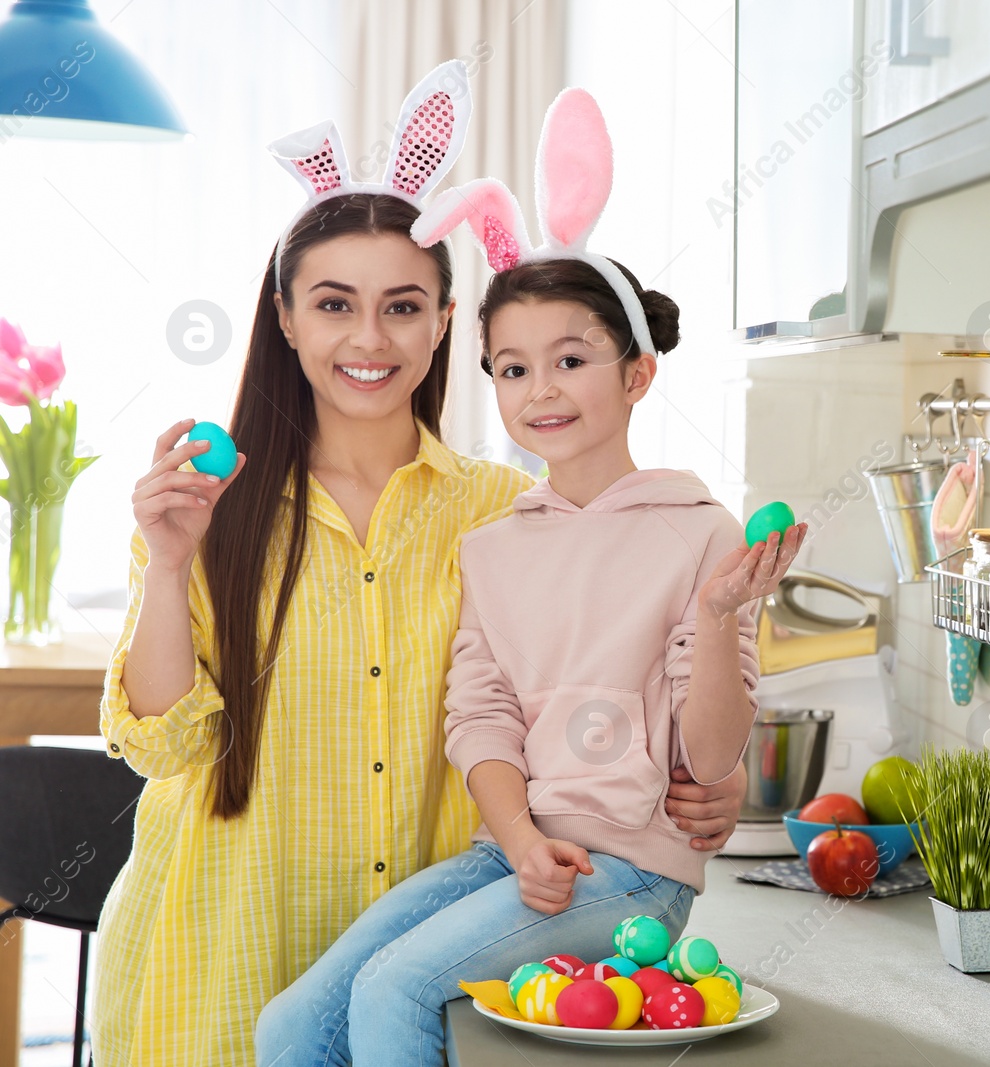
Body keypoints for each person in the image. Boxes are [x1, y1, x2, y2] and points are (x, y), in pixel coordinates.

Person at [90, 65, 747, 1067]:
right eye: (333, 303)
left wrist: (703, 780)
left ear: (446, 321)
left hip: (429, 951)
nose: (368, 337)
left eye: (403, 305)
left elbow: (614, 677)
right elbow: (160, 746)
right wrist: (173, 564)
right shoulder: (204, 508)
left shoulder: (503, 512)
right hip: (218, 950)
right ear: (285, 315)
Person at [254, 87, 805, 1066]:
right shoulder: (497, 537)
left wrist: (722, 615)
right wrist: (515, 836)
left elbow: (714, 758)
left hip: (634, 870)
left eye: (569, 359)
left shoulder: (699, 531)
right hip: (508, 851)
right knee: (291, 1023)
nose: (539, 390)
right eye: (511, 368)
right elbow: (481, 713)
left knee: (397, 989)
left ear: (636, 374)